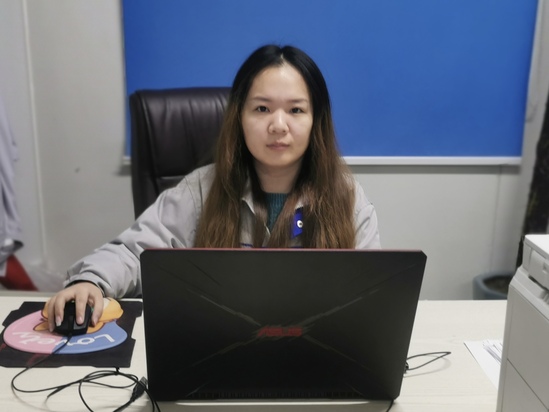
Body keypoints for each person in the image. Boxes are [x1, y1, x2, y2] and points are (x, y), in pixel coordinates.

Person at [46, 44, 380, 332]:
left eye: (296, 110)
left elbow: (374, 292)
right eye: (262, 108)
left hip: (314, 354)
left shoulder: (345, 196)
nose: (278, 125)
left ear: (315, 120)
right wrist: (89, 281)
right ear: (239, 117)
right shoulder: (202, 190)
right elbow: (134, 254)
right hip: (217, 347)